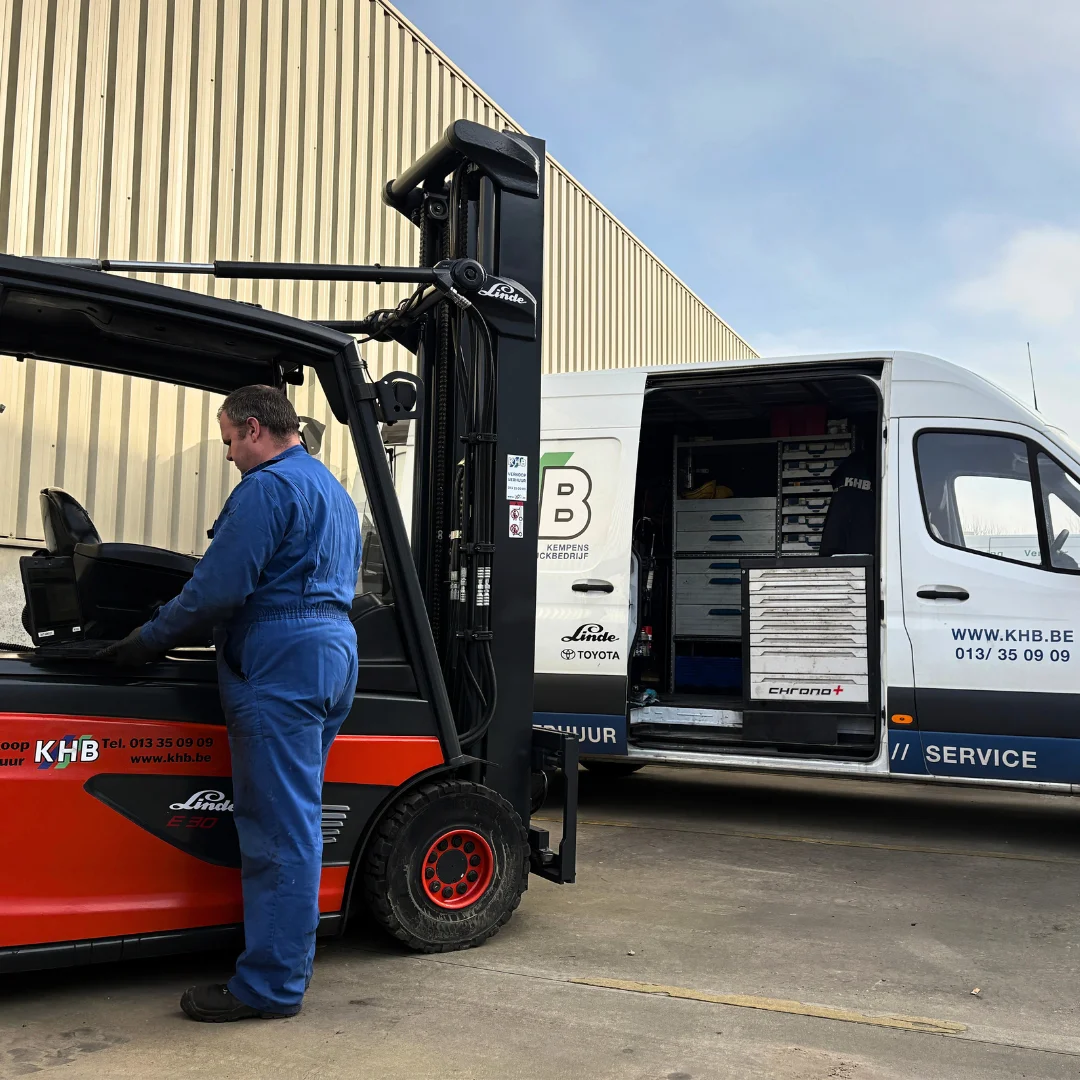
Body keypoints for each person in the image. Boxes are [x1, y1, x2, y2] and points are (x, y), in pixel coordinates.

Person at [103, 385, 362, 1022]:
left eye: (227, 442)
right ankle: (288, 966)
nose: (226, 456)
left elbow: (218, 588)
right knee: (295, 818)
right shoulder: (334, 492)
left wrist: (146, 639)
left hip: (278, 657)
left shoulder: (268, 487)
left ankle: (270, 987)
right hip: (332, 652)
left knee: (277, 827)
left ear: (252, 429)